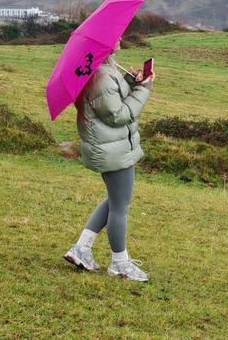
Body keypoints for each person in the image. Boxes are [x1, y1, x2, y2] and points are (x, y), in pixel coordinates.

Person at [64, 41, 153, 282]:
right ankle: (120, 263)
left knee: (116, 200)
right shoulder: (101, 76)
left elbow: (108, 99)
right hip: (112, 149)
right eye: (116, 37)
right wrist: (144, 89)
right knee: (120, 206)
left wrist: (131, 82)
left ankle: (81, 248)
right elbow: (118, 115)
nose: (120, 40)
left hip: (109, 147)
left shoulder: (99, 70)